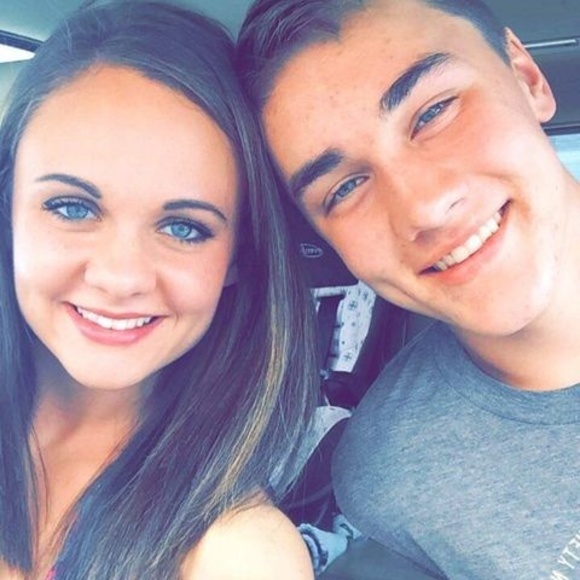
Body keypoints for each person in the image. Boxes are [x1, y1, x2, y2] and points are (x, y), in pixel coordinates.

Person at [237, 0, 580, 577]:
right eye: (344, 188)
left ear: (527, 78)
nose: (423, 208)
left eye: (434, 113)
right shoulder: (388, 473)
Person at [0, 1, 319, 578]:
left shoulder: (239, 552)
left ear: (237, 258)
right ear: (8, 212)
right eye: (72, 208)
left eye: (184, 228)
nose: (121, 278)